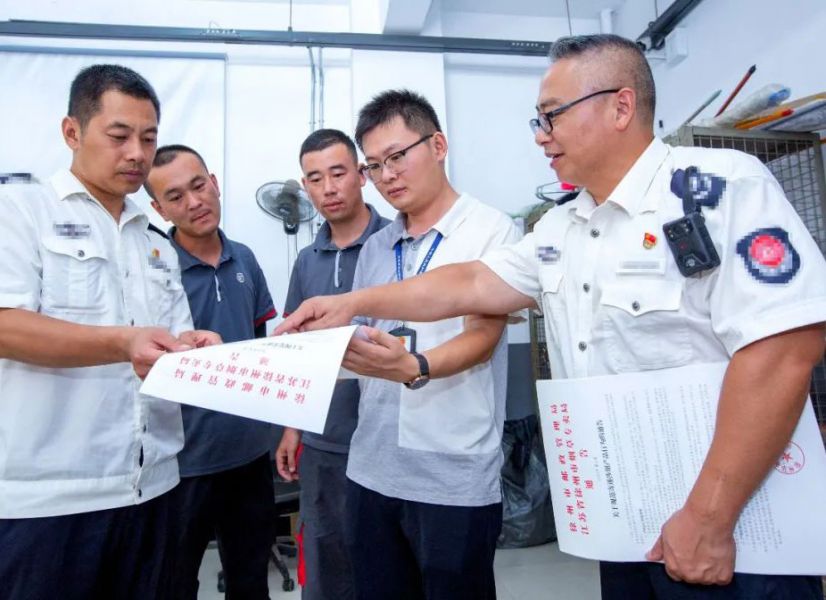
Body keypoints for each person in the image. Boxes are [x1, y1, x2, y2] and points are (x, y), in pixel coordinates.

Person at [278, 35, 826, 600]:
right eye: (537, 120)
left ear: (620, 106)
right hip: (627, 519)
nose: (541, 135)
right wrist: (352, 302)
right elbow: (472, 283)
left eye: (552, 116)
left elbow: (783, 353)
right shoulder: (562, 229)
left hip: (731, 526)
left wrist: (709, 516)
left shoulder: (718, 187)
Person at [0, 64, 220, 600]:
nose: (137, 154)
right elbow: (6, 325)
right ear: (72, 132)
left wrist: (193, 350)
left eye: (148, 138)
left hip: (154, 489)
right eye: (119, 136)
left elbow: (169, 341)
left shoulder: (157, 243)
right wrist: (122, 343)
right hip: (50, 502)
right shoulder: (21, 212)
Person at [323, 89, 520, 600]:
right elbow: (359, 335)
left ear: (438, 145)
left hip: (452, 475)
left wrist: (416, 365)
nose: (386, 176)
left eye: (396, 157)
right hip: (372, 468)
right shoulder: (376, 247)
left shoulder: (491, 230)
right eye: (374, 166)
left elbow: (483, 335)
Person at [145, 144, 278, 599]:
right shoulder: (153, 269)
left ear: (215, 183)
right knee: (175, 582)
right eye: (175, 196)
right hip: (183, 463)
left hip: (249, 454)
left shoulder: (245, 259)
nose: (194, 202)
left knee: (250, 581)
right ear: (158, 208)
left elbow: (259, 344)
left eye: (199, 186)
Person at [274, 128, 390, 600]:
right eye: (316, 178)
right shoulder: (306, 261)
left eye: (338, 173)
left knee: (385, 563)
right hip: (324, 442)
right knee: (326, 559)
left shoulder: (397, 242)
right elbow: (295, 350)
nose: (329, 188)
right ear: (305, 187)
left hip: (388, 436)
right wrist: (291, 429)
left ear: (361, 175)